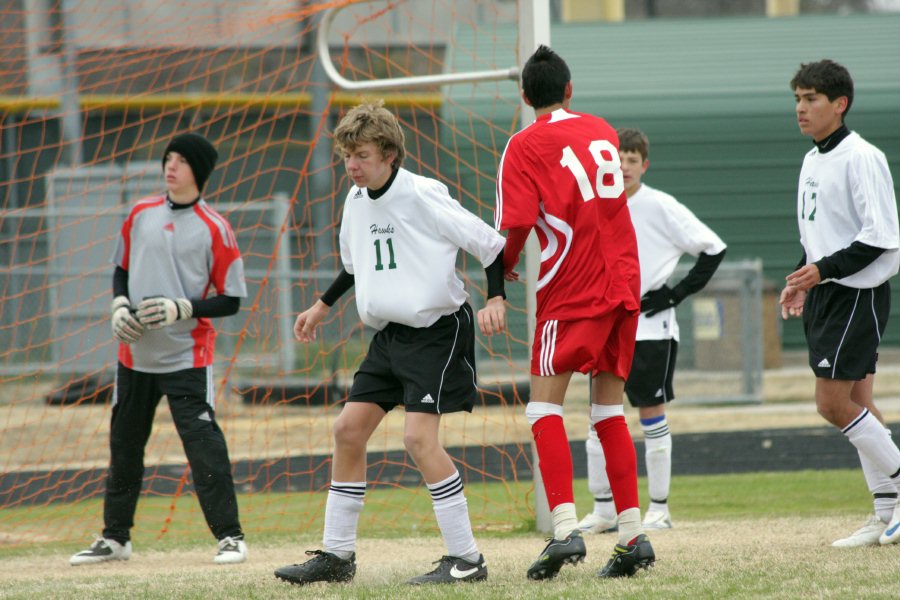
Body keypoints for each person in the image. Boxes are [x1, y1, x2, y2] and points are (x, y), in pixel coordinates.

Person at [273, 100, 507, 586]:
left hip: (438, 332)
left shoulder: (422, 194)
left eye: (360, 155)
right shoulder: (356, 201)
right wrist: (321, 306)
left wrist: (497, 298)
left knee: (418, 439)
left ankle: (467, 560)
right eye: (346, 157)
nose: (352, 166)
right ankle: (337, 558)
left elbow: (489, 244)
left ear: (389, 154)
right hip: (391, 337)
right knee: (347, 431)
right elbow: (356, 266)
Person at [495, 45, 654, 580]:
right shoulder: (602, 129)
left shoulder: (523, 144)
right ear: (569, 90)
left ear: (524, 96)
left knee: (543, 409)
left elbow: (515, 223)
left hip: (571, 287)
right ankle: (632, 535)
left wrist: (504, 271)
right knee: (608, 412)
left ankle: (564, 531)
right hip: (625, 283)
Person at [69, 133, 249, 566]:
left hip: (188, 358)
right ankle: (115, 539)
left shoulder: (215, 228)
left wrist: (181, 307)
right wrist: (117, 306)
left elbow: (231, 298)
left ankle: (230, 537)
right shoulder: (139, 213)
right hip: (134, 358)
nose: (170, 165)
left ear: (199, 172)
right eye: (168, 157)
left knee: (204, 446)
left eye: (182, 160)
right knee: (125, 445)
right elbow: (121, 269)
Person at [577, 128, 726, 534]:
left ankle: (659, 508)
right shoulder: (594, 206)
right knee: (598, 419)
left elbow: (713, 247)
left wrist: (675, 295)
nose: (623, 166)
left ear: (644, 165)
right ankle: (604, 508)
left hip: (651, 330)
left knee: (651, 417)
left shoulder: (661, 205)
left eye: (631, 159)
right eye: (617, 159)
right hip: (606, 328)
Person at [779, 59, 900, 548]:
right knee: (861, 403)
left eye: (811, 99)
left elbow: (881, 238)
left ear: (840, 104)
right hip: (827, 292)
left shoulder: (862, 157)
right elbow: (816, 234)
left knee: (832, 405)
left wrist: (824, 270)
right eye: (797, 99)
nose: (801, 109)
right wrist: (802, 278)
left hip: (857, 294)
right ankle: (886, 511)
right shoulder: (813, 158)